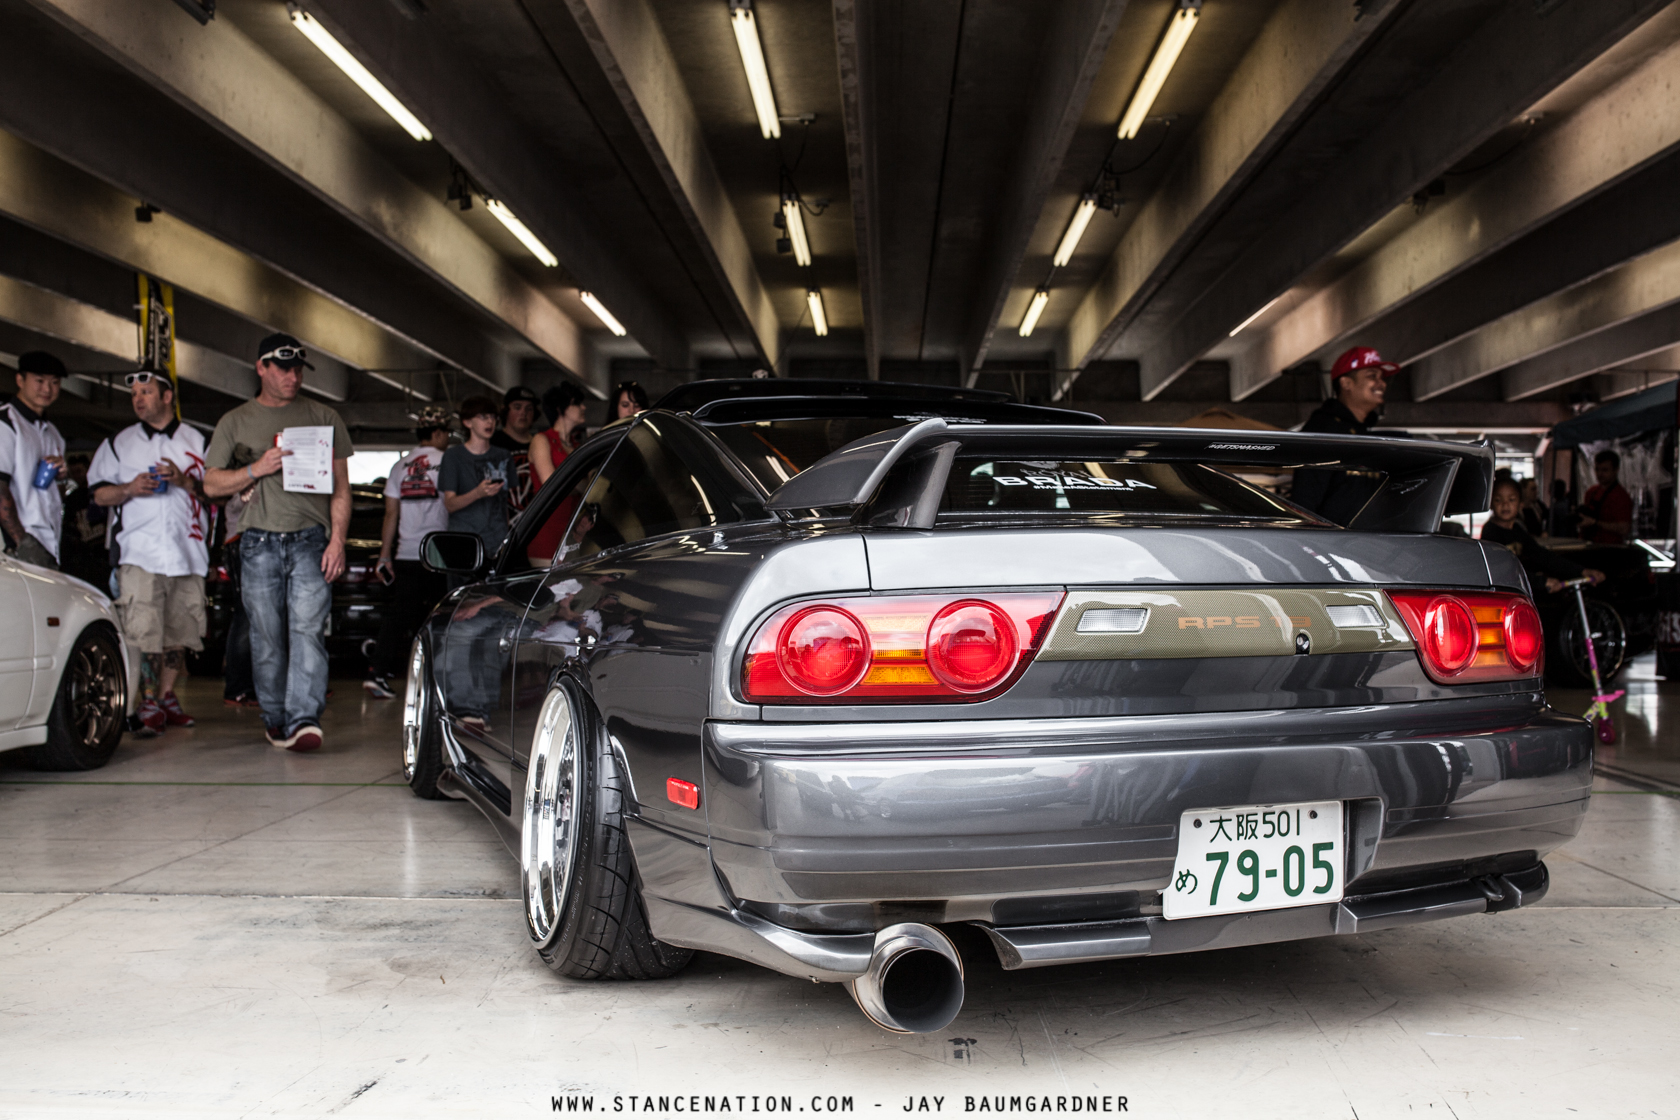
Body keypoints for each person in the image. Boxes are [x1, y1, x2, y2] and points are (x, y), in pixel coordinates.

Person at [202, 334, 352, 753]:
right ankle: (275, 718)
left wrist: (337, 540)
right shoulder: (235, 421)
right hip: (256, 541)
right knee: (266, 635)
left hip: (310, 539)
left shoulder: (324, 416)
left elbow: (342, 486)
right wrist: (256, 468)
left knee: (308, 630)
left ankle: (304, 719)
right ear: (261, 368)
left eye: (298, 369)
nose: (292, 377)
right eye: (283, 369)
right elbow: (211, 484)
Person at [88, 369, 210, 735]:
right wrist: (129, 488)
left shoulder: (197, 440)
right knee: (143, 630)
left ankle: (168, 695)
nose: (138, 399)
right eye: (134, 394)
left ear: (167, 396)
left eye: (146, 392)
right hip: (139, 551)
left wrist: (184, 481)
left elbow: (218, 493)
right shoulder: (119, 443)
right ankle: (147, 701)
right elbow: (98, 495)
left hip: (187, 551)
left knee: (179, 629)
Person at [365, 407, 451, 698]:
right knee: (439, 617)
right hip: (439, 553)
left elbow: (391, 515)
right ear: (437, 433)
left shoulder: (399, 466)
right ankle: (434, 681)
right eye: (446, 433)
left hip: (406, 553)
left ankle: (377, 672)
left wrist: (384, 555)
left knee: (399, 616)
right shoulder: (448, 461)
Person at [0, 351, 68, 569]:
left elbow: (55, 494)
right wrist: (21, 542)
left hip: (49, 544)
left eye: (54, 382)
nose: (47, 389)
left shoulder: (53, 434)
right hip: (16, 547)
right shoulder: (6, 423)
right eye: (39, 381)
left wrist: (61, 477)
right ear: (20, 380)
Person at [525, 383, 590, 565]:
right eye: (576, 403)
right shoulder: (542, 440)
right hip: (548, 528)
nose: (583, 407)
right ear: (560, 408)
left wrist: (573, 484)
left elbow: (589, 488)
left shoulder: (577, 446)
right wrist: (579, 483)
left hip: (573, 531)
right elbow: (551, 485)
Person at [440, 396, 511, 558]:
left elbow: (505, 502)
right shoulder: (453, 456)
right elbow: (450, 504)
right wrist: (477, 493)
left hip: (498, 541)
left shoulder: (503, 455)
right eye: (483, 417)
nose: (490, 422)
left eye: (493, 417)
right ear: (467, 422)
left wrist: (507, 537)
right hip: (465, 542)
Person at [1302, 346, 1397, 435]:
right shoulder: (1323, 430)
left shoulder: (1357, 427)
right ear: (1346, 383)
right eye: (1372, 376)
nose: (1383, 384)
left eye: (1382, 377)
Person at [492, 385, 541, 516]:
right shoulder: (493, 442)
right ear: (506, 411)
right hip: (500, 518)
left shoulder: (540, 443)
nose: (523, 413)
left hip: (535, 516)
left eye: (529, 409)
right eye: (517, 407)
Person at [1578, 449, 1634, 545]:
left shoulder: (1620, 496)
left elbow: (1624, 528)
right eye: (1597, 469)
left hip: (1609, 548)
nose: (1600, 474)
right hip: (1589, 544)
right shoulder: (1591, 492)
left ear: (1616, 470)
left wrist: (1595, 523)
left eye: (1605, 470)